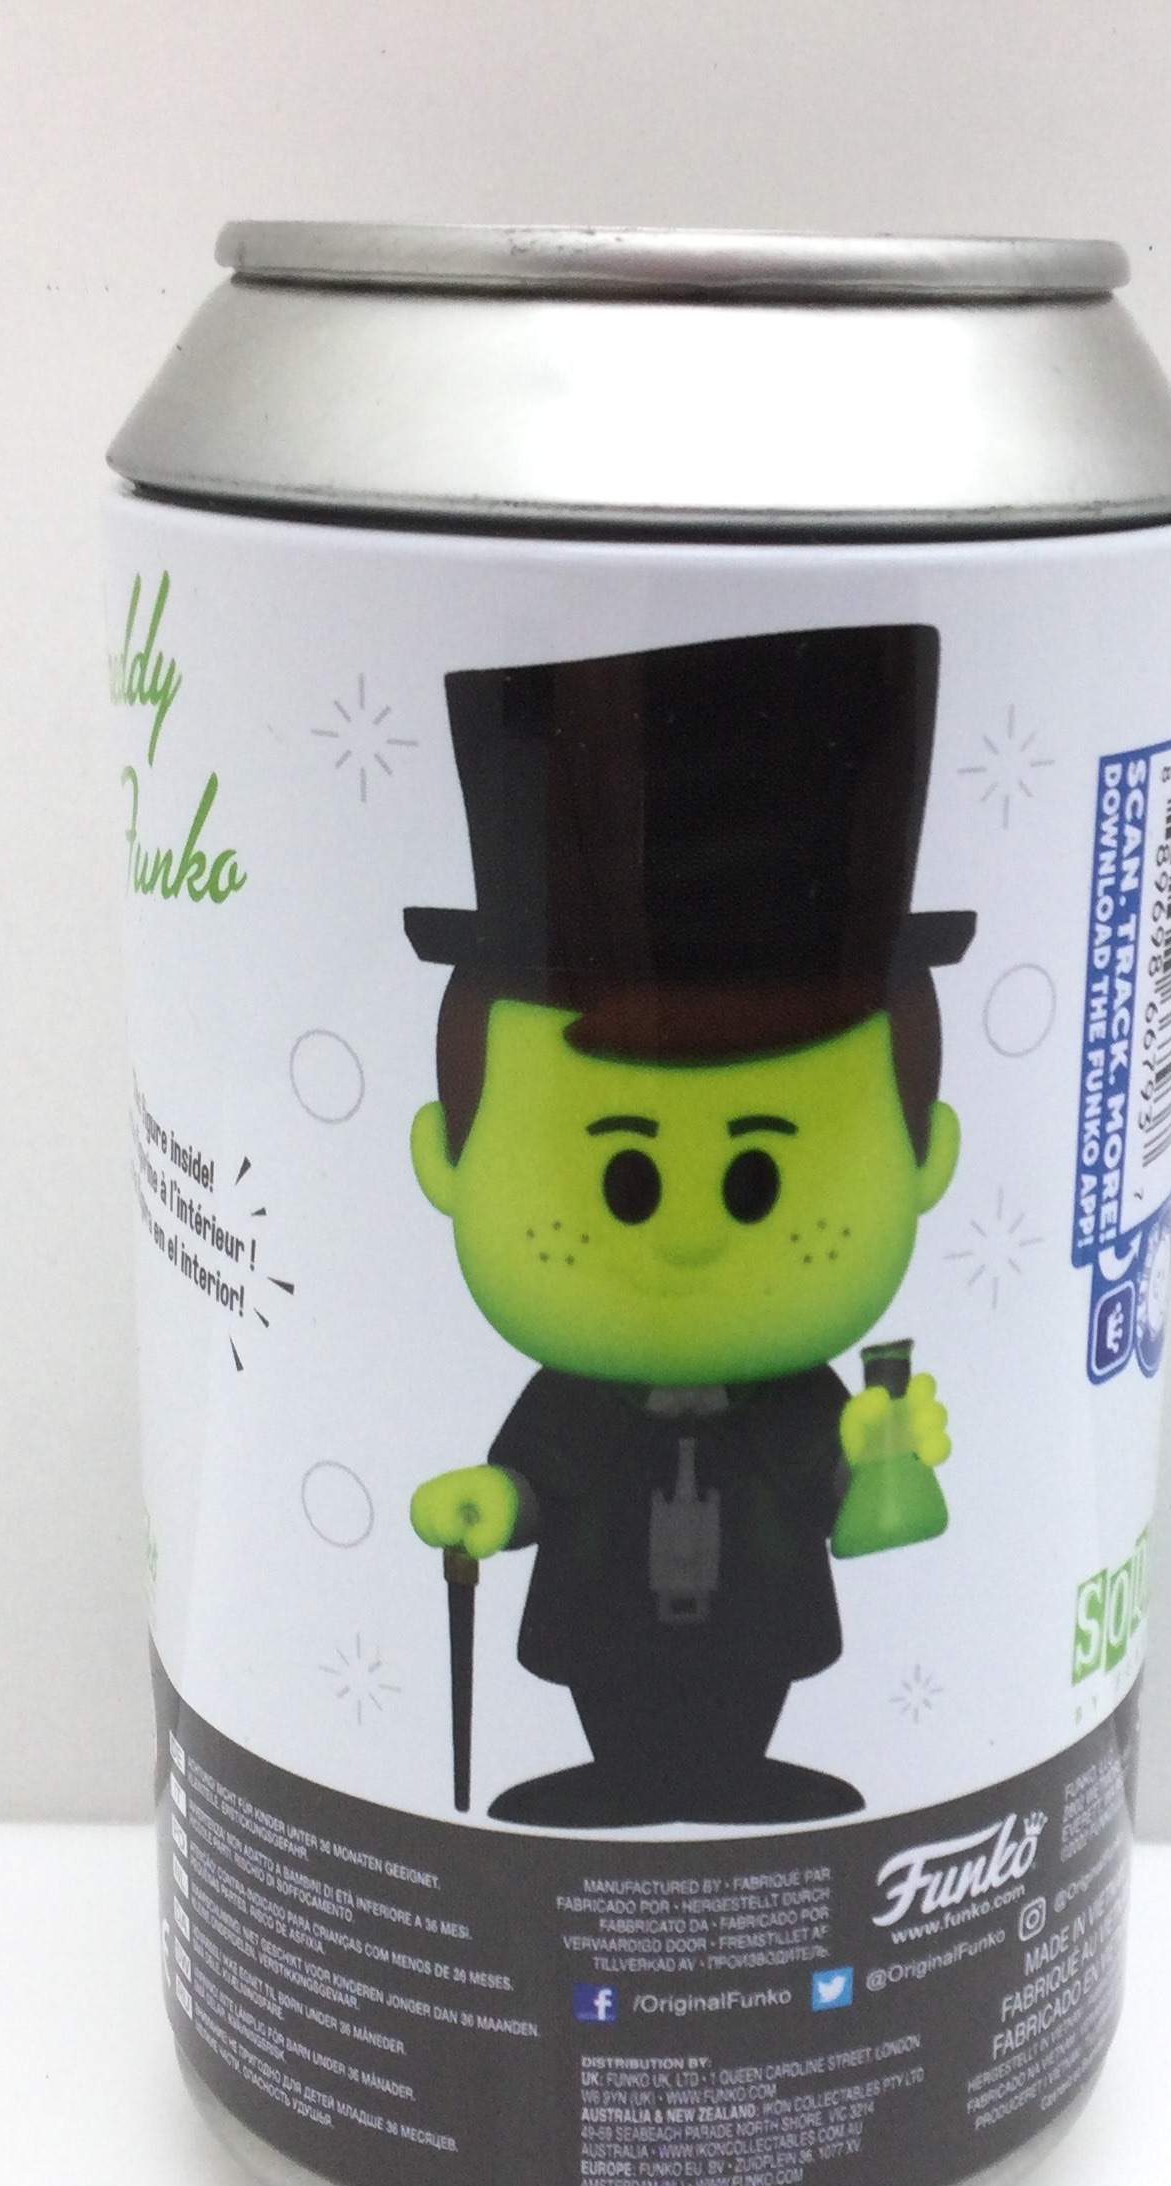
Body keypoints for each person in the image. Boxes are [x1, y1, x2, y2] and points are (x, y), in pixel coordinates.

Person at [401, 624, 969, 1827]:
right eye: (627, 1181)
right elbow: (533, 1479)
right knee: (607, 1674)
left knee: (751, 1671)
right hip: (603, 1612)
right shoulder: (574, 1402)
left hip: (755, 1613)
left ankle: (732, 1768)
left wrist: (881, 1464)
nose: (690, 1241)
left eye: (757, 1180)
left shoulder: (803, 1397)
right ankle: (622, 1771)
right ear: (447, 1161)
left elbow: (861, 1511)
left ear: (925, 1159)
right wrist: (493, 1501)